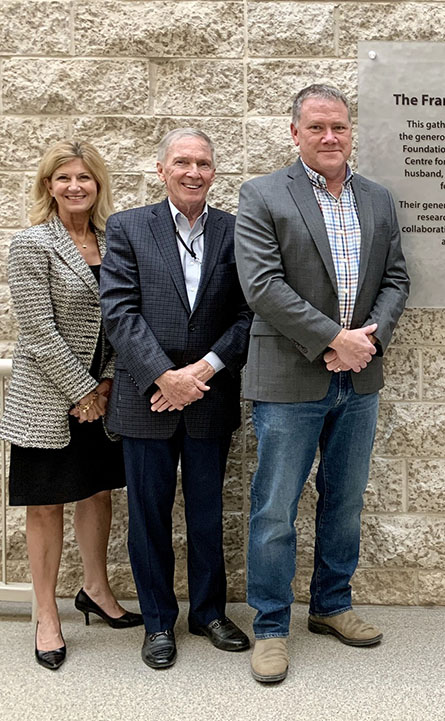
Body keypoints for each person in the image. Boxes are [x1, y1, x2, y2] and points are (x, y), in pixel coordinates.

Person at [234, 83, 409, 684]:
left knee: (345, 501)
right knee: (275, 508)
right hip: (289, 377)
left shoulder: (379, 199)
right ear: (295, 133)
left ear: (350, 130)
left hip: (359, 379)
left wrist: (369, 338)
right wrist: (335, 338)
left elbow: (396, 279)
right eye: (316, 128)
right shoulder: (261, 195)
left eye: (338, 126)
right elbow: (261, 286)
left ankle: (332, 605)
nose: (329, 137)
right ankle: (272, 626)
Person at [99, 129, 253, 669]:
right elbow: (119, 311)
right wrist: (165, 377)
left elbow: (247, 314)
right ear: (161, 169)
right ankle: (159, 622)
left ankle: (209, 613)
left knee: (209, 512)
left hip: (210, 394)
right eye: (182, 162)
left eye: (204, 163)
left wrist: (202, 371)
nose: (194, 172)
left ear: (215, 171)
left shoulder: (237, 232)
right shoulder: (127, 228)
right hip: (147, 398)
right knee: (148, 515)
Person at [0, 140, 142, 670]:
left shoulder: (114, 240)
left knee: (97, 492)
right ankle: (46, 615)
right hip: (48, 398)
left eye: (84, 177)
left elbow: (124, 317)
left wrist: (104, 386)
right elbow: (37, 329)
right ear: (48, 187)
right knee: (45, 505)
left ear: (98, 184)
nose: (75, 187)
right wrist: (80, 390)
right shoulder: (33, 243)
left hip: (103, 398)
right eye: (64, 179)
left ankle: (96, 590)